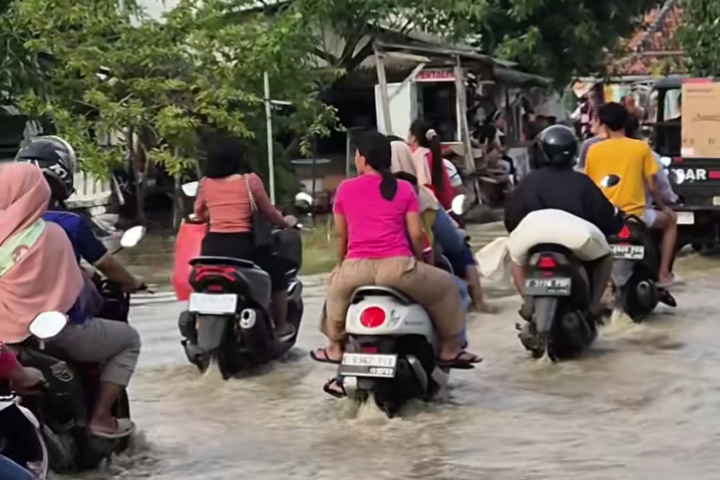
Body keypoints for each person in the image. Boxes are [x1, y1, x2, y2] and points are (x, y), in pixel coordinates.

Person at [311, 131, 481, 371]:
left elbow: (342, 235)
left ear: (364, 159)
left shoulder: (345, 189)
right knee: (449, 287)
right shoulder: (404, 189)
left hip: (356, 269)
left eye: (358, 155)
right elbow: (415, 234)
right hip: (399, 268)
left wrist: (342, 266)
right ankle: (450, 347)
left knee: (335, 294)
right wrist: (420, 261)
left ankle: (334, 347)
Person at [0, 162, 140, 439]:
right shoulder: (54, 233)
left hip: (7, 341)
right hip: (59, 334)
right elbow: (77, 290)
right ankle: (100, 418)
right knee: (129, 340)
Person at [505, 125, 622, 319]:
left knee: (516, 260)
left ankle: (527, 302)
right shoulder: (582, 182)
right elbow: (607, 220)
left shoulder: (528, 181)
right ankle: (593, 307)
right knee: (604, 257)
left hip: (531, 237)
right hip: (575, 240)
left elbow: (511, 219)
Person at [192, 132, 296, 341]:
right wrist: (287, 223)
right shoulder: (250, 181)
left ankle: (198, 327)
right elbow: (269, 212)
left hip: (211, 249)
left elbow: (200, 214)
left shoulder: (205, 183)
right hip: (243, 248)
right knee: (278, 273)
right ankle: (282, 326)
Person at [15, 136, 143, 293]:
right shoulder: (72, 222)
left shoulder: (6, 220)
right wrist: (133, 281)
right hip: (64, 306)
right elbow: (107, 265)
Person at [388, 135, 491, 312]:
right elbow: (432, 236)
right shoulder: (420, 195)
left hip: (374, 264)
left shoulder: (370, 193)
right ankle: (478, 302)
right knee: (460, 246)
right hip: (417, 260)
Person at [584, 103, 677, 287]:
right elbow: (652, 187)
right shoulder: (640, 148)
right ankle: (663, 273)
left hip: (604, 216)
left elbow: (589, 185)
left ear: (603, 124)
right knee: (671, 221)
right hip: (637, 216)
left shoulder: (593, 150)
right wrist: (665, 207)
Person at [408, 119, 454, 210]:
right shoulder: (433, 154)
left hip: (430, 207)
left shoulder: (416, 155)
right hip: (445, 205)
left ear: (413, 138)